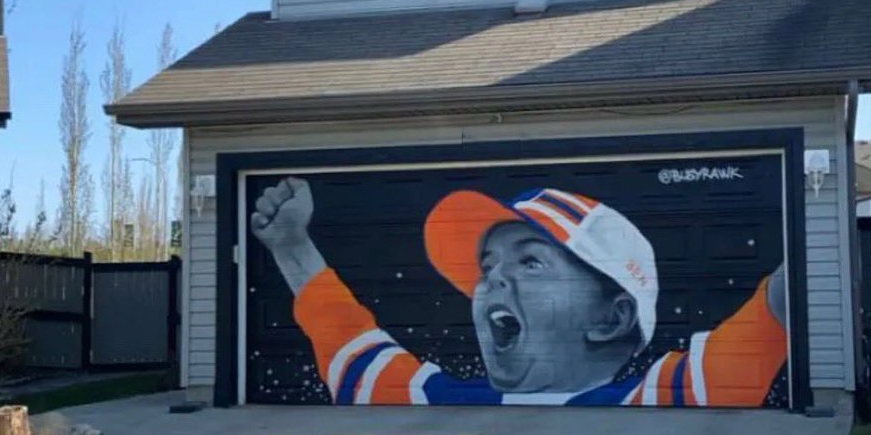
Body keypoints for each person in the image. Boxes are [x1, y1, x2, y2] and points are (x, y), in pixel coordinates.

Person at [251, 176, 788, 407]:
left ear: (610, 318)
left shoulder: (657, 398)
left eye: (531, 261)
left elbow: (774, 311)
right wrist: (290, 243)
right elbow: (345, 334)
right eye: (487, 266)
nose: (492, 279)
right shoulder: (436, 399)